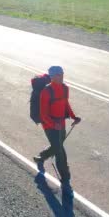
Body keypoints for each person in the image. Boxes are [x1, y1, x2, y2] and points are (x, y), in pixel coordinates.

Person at [33, 66, 81, 194]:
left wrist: (73, 116)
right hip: (50, 126)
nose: (61, 76)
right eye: (58, 75)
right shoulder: (46, 92)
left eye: (62, 74)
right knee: (59, 150)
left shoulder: (65, 88)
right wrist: (53, 125)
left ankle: (41, 157)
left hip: (61, 123)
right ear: (52, 77)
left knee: (57, 146)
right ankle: (65, 175)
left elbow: (66, 104)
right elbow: (43, 114)